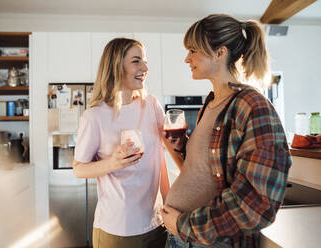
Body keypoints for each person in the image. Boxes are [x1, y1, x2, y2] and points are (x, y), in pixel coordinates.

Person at [161, 14, 292, 248]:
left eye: (193, 50)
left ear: (220, 53)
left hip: (211, 242)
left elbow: (257, 203)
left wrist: (184, 225)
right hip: (182, 238)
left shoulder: (253, 106)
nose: (186, 59)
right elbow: (206, 175)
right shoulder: (211, 103)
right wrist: (179, 150)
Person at [73, 37, 170, 248]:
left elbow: (160, 157)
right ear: (116, 67)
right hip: (118, 228)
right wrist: (112, 163)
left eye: (145, 61)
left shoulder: (151, 105)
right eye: (136, 61)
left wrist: (168, 203)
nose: (145, 67)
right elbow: (78, 169)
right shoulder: (94, 116)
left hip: (156, 222)